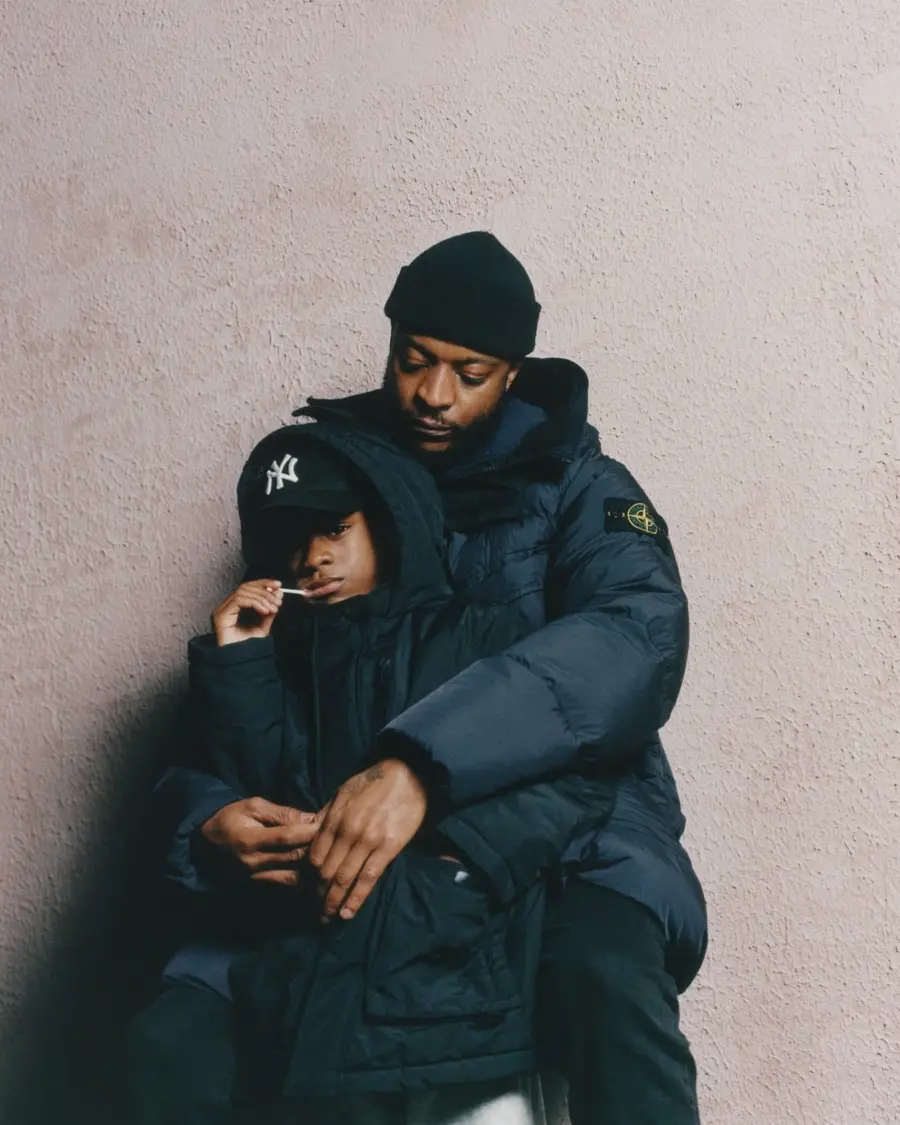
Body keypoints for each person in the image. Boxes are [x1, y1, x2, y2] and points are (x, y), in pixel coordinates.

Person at [150, 231, 707, 1125]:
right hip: (338, 834)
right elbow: (257, 699)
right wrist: (207, 821)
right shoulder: (334, 477)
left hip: (574, 832)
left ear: (513, 374)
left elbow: (635, 638)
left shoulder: (582, 487)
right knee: (183, 1037)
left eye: (470, 372)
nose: (434, 394)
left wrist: (421, 766)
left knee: (607, 978)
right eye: (413, 361)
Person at [127, 424, 612, 1124]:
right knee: (167, 1051)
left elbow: (565, 776)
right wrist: (238, 666)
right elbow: (241, 791)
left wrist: (453, 861)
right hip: (291, 946)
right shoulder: (269, 656)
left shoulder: (478, 634)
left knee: (347, 1078)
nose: (312, 557)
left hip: (428, 941)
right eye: (291, 538)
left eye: (335, 528)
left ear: (389, 519)